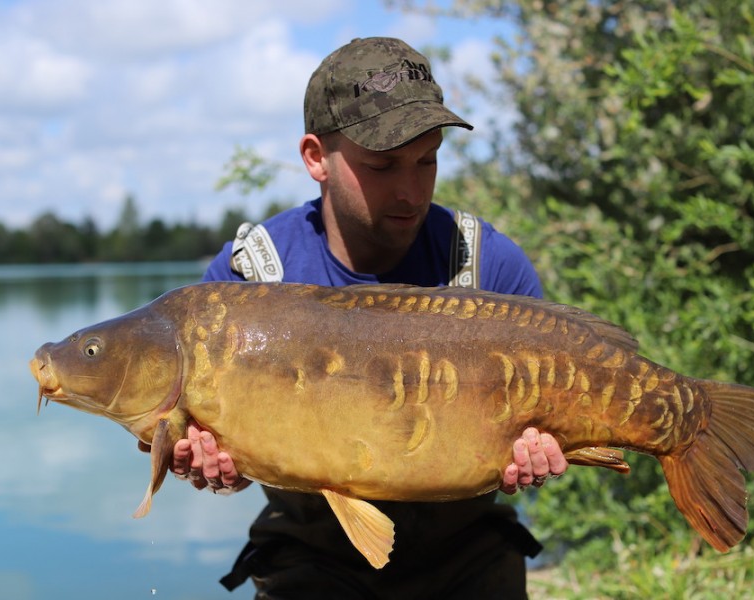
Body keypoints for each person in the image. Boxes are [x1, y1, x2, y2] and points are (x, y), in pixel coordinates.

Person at [172, 37, 568, 599]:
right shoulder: (247, 281)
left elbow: (549, 431)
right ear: (315, 157)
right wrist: (218, 470)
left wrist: (542, 452)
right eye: (382, 166)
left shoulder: (486, 265)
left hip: (469, 556)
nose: (410, 190)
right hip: (311, 560)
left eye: (426, 160)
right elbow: (217, 453)